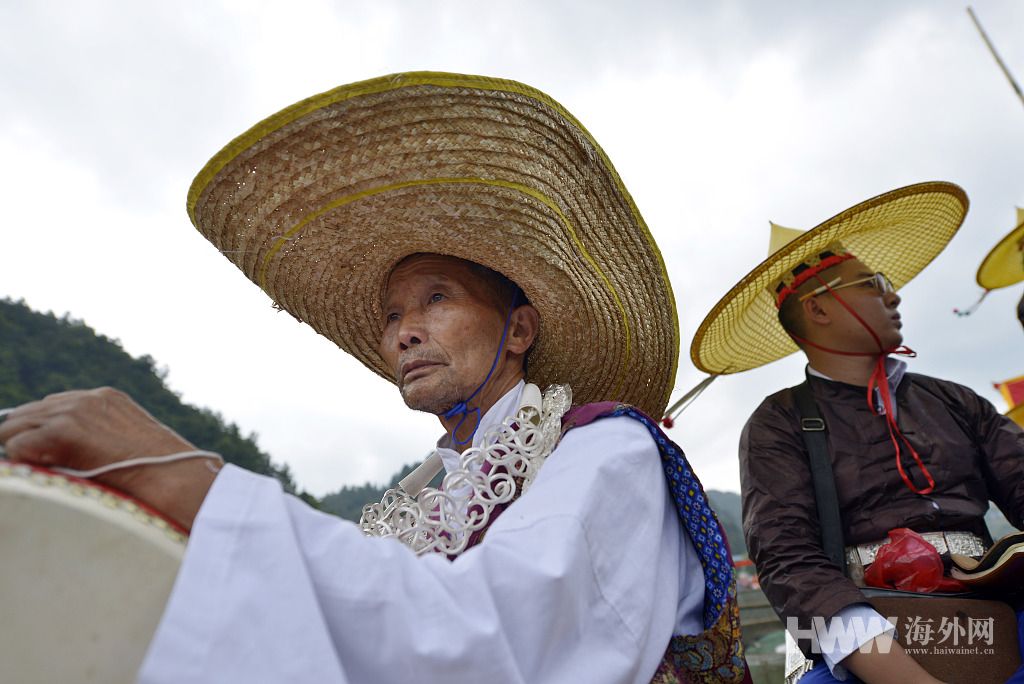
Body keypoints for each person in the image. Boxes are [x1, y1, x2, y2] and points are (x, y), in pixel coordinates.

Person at [0, 72, 748, 683]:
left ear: (519, 330)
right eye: (392, 316)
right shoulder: (421, 500)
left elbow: (488, 643)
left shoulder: (609, 453)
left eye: (436, 298)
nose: (403, 332)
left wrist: (196, 484)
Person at [690, 183, 1024, 683]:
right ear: (819, 309)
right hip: (868, 634)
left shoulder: (955, 400)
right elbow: (789, 559)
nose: (894, 293)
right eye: (872, 283)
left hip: (998, 608)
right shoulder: (776, 422)